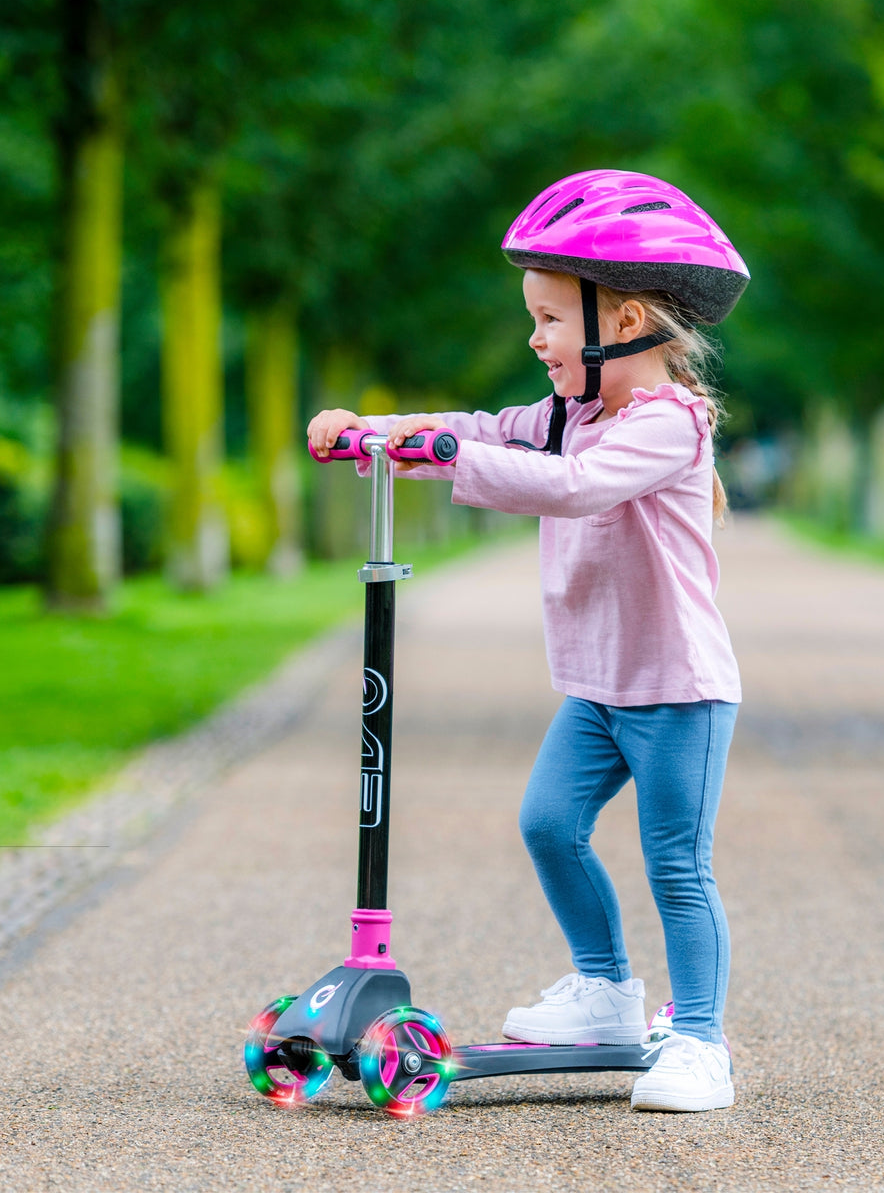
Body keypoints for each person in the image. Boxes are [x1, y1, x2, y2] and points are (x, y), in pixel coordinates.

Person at [307, 170, 749, 1113]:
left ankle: (702, 1042)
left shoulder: (669, 426)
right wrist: (374, 432)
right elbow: (475, 429)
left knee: (677, 860)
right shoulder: (565, 415)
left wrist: (453, 459)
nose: (536, 340)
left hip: (679, 691)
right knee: (548, 825)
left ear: (623, 322)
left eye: (550, 319)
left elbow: (573, 488)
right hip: (597, 688)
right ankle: (604, 993)